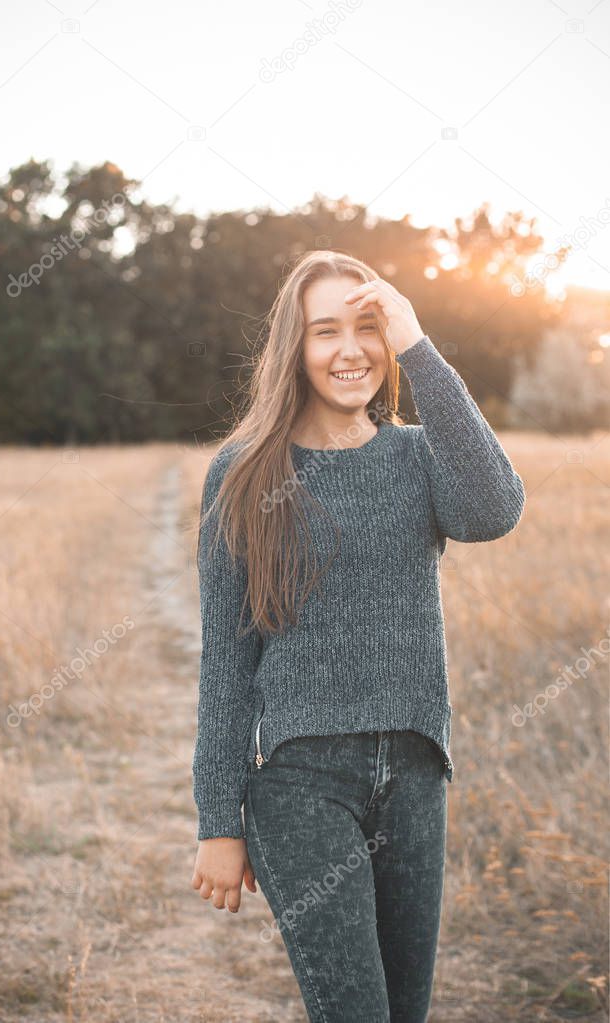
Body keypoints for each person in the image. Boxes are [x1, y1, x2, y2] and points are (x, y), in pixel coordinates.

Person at [190, 250, 526, 1022]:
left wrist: (418, 344)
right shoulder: (243, 473)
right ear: (295, 350)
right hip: (299, 785)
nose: (351, 350)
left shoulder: (415, 457)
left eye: (368, 327)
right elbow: (226, 661)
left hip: (415, 775)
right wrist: (217, 820)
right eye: (325, 331)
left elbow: (494, 508)